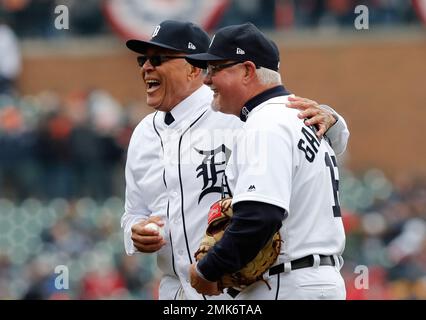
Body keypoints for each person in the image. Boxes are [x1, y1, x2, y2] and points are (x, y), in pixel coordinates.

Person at [121, 20, 349, 300]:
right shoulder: (144, 133)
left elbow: (260, 215)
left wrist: (334, 121)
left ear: (193, 67)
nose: (146, 67)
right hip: (178, 286)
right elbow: (133, 212)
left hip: (239, 284)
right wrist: (135, 232)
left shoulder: (239, 114)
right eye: (143, 59)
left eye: (158, 59)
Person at [186, 22, 347, 299]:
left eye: (215, 69)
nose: (206, 80)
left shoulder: (265, 123)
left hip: (286, 282)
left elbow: (259, 216)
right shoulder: (300, 116)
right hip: (319, 280)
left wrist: (207, 270)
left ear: (247, 70)